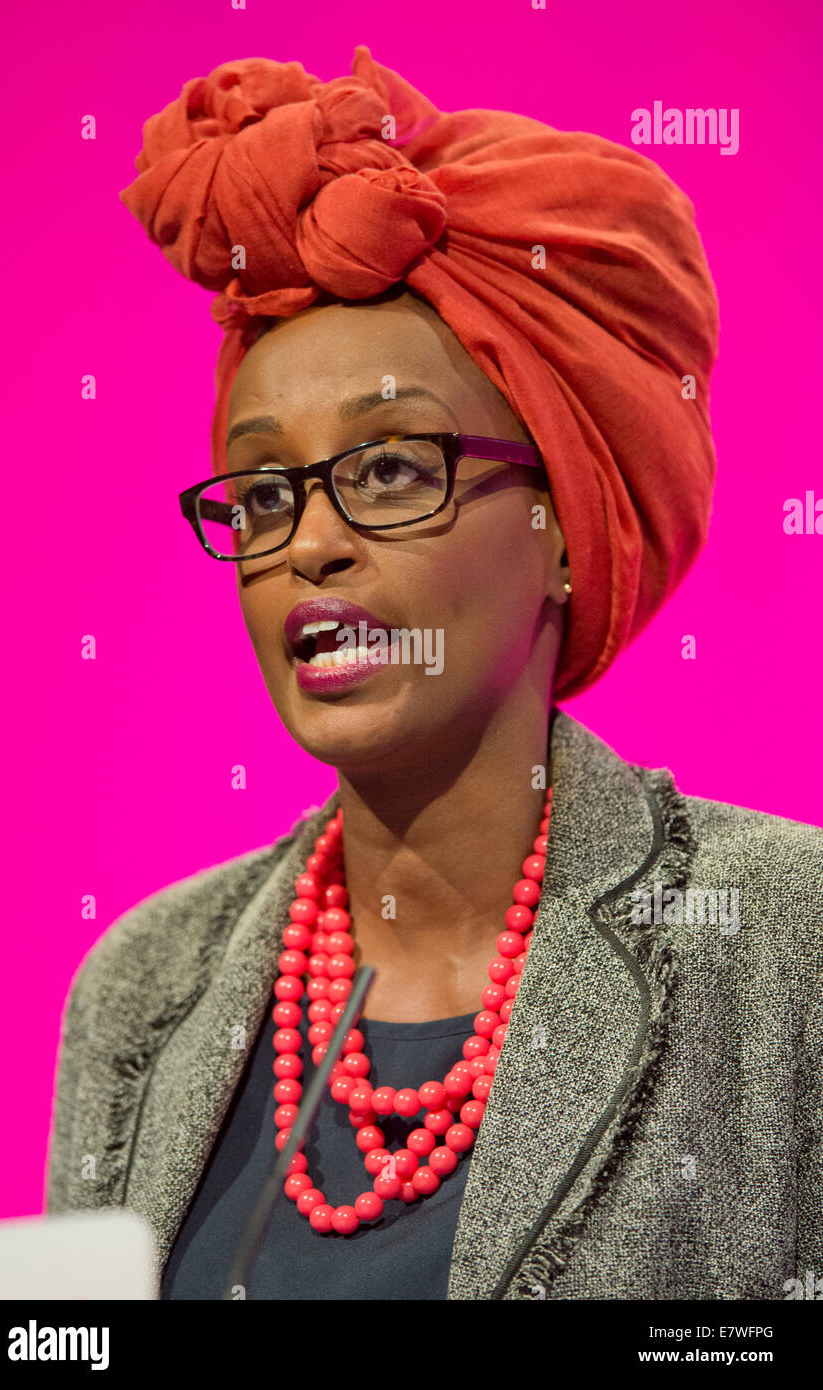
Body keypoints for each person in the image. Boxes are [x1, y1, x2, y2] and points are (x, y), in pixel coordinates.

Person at [45, 47, 823, 1301]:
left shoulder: (790, 946)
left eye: (392, 469)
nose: (309, 539)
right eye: (261, 491)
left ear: (562, 522)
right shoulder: (143, 983)